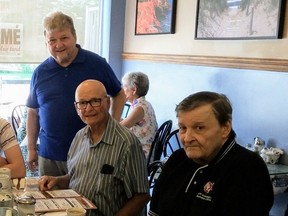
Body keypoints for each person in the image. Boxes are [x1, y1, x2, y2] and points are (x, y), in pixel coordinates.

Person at [26, 11, 126, 176]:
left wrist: (112, 127)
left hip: (90, 152)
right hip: (50, 155)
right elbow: (32, 112)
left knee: (86, 200)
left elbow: (119, 94)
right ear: (46, 43)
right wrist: (31, 149)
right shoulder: (40, 72)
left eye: (64, 38)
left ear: (74, 36)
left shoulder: (97, 64)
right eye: (52, 40)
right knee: (50, 200)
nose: (58, 45)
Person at [148, 91, 274, 216]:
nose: (187, 138)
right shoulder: (177, 160)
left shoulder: (248, 167)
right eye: (183, 128)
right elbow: (154, 212)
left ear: (225, 128)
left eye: (199, 128)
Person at [38, 79, 149, 216]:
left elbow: (142, 196)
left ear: (107, 102)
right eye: (83, 103)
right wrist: (57, 180)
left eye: (95, 101)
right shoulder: (79, 137)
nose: (89, 109)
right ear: (76, 107)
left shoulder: (127, 143)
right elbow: (77, 177)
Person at [120, 72, 158, 158]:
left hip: (142, 154)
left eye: (124, 86)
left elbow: (118, 129)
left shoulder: (139, 109)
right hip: (149, 149)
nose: (123, 89)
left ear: (134, 90)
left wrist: (117, 105)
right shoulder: (145, 104)